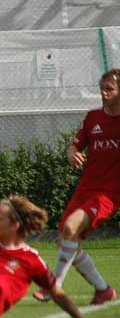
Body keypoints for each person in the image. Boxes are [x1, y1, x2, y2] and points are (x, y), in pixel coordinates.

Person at [34, 68, 120, 305]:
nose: (104, 93)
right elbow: (75, 146)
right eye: (102, 89)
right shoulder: (93, 118)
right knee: (67, 239)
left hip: (109, 193)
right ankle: (103, 290)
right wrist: (72, 153)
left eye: (109, 89)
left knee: (71, 228)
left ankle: (53, 287)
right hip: (85, 189)